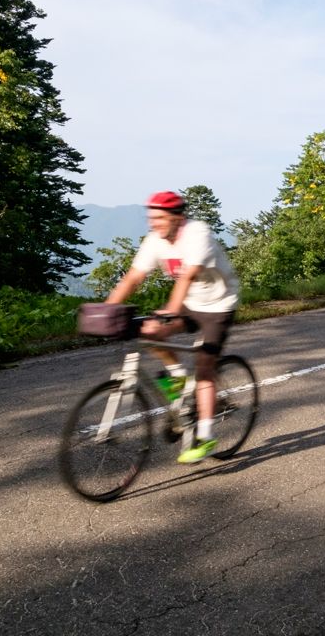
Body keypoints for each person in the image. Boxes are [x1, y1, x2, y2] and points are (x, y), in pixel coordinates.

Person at [105, 190, 240, 463]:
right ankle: (179, 378)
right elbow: (134, 277)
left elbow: (188, 275)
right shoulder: (155, 240)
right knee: (150, 332)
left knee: (204, 367)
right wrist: (106, 310)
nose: (153, 223)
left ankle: (205, 436)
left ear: (177, 217)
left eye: (159, 218)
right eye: (151, 218)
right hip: (190, 303)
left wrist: (171, 310)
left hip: (218, 305)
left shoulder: (197, 233)